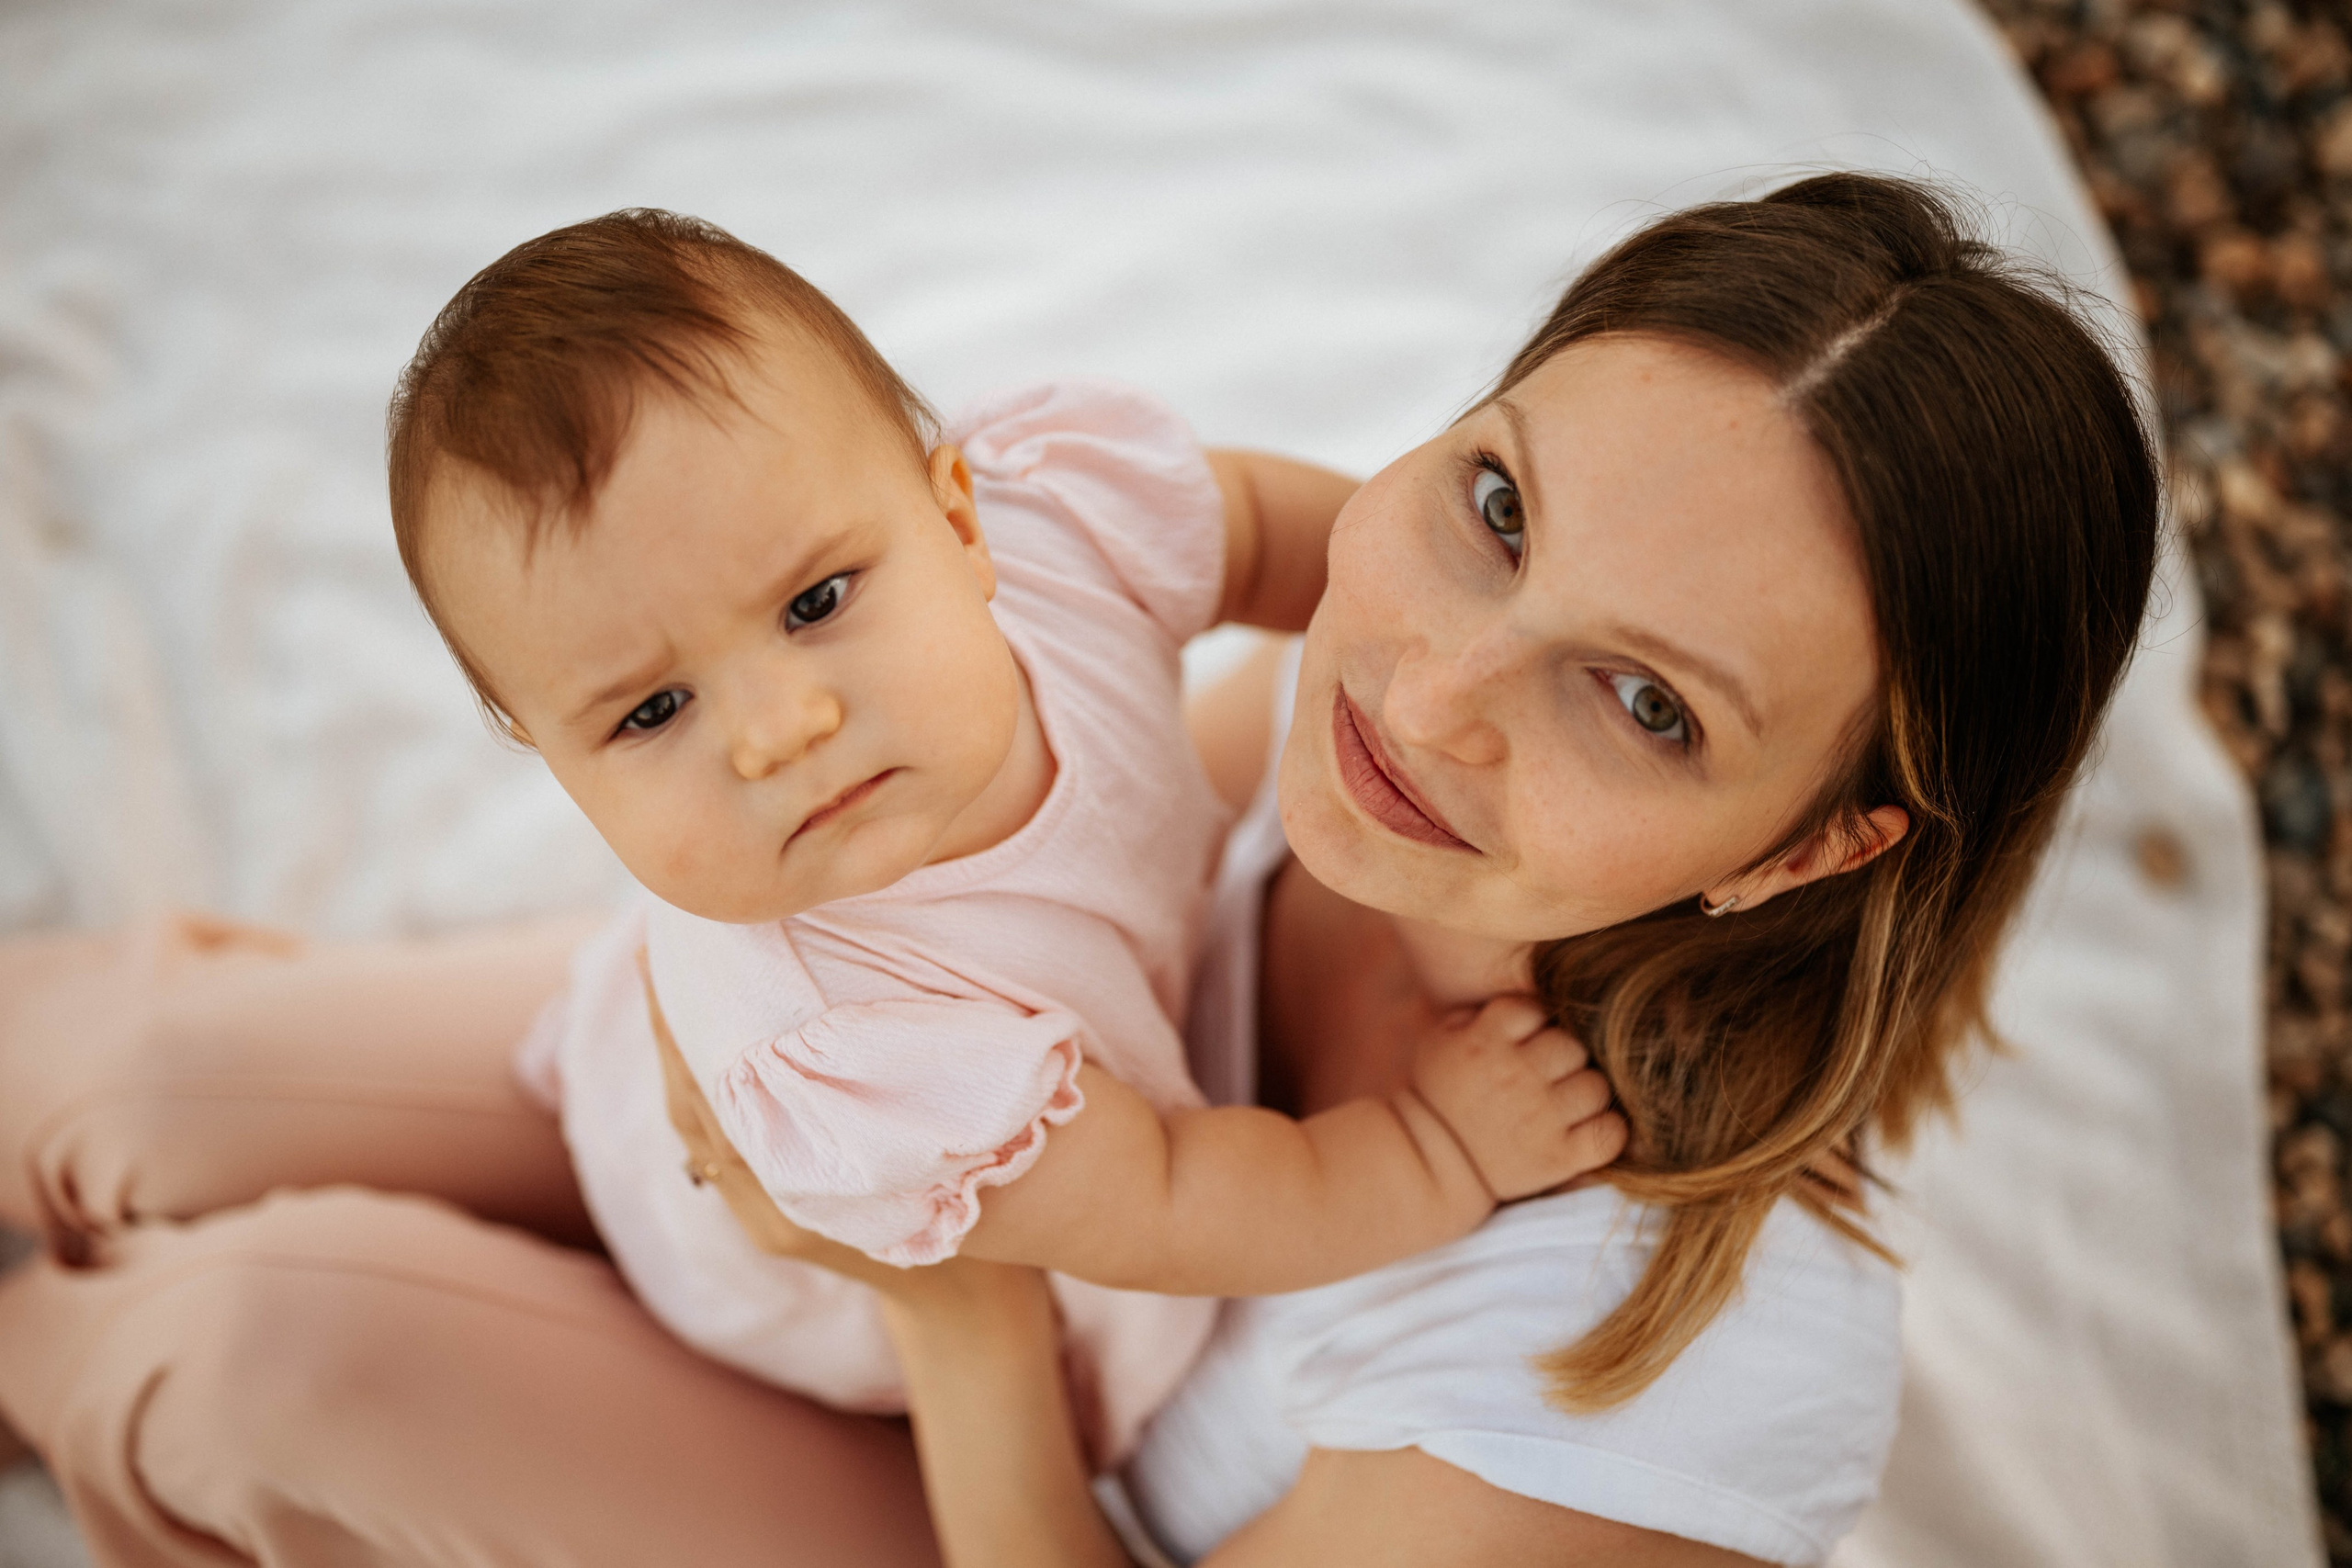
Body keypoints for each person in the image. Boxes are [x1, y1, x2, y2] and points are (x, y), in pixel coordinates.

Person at [0, 172, 2157, 1567]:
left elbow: (1048, 1188)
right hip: (796, 1086)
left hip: (988, 1469)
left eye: (1648, 702)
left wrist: (951, 1307)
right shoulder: (1307, 749)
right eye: (1492, 504)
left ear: (1813, 837)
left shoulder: (1640, 1388)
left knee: (255, 1347)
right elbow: (1110, 715)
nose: (1420, 692)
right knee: (141, 1088)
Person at [382, 209, 1623, 1465]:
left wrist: (1433, 648)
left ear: (963, 524)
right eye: (651, 711)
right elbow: (1172, 1193)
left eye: (815, 603)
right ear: (559, 765)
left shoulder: (1064, 536)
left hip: (660, 1016)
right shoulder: (858, 1050)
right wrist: (1437, 1144)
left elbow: (1257, 530)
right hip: (783, 1262)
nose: (778, 731)